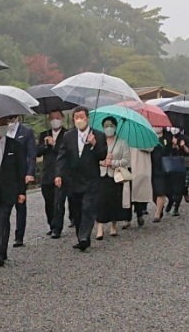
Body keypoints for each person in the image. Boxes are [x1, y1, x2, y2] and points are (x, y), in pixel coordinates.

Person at [55, 106, 108, 251]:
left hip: (91, 179)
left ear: (87, 118)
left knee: (88, 208)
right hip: (73, 179)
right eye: (76, 117)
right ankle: (80, 236)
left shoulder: (98, 135)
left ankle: (85, 236)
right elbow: (62, 157)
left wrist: (94, 144)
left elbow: (102, 155)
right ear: (73, 119)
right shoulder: (68, 136)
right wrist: (59, 174)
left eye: (82, 117)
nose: (79, 120)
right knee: (77, 209)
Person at [0, 117, 27, 266]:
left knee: (4, 218)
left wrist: (22, 191)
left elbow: (21, 170)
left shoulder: (16, 145)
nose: (2, 127)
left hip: (9, 189)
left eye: (4, 124)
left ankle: (0, 252)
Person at [95, 116, 131, 239]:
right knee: (99, 201)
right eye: (106, 126)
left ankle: (113, 225)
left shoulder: (122, 142)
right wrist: (102, 162)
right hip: (100, 175)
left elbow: (126, 160)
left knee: (114, 200)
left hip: (115, 176)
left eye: (111, 125)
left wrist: (113, 162)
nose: (108, 128)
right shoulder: (98, 141)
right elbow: (93, 157)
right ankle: (99, 227)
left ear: (115, 127)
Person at [37, 110, 70, 238]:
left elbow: (66, 152)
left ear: (62, 118)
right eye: (52, 118)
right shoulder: (43, 134)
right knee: (48, 201)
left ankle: (58, 227)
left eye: (57, 117)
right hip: (47, 173)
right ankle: (51, 224)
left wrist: (54, 144)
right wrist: (45, 144)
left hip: (61, 173)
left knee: (58, 201)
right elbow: (37, 152)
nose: (55, 120)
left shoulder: (67, 134)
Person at [5, 115, 36, 247]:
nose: (10, 121)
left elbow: (31, 154)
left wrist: (30, 172)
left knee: (20, 204)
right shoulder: (2, 131)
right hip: (6, 173)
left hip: (20, 172)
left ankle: (19, 235)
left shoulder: (26, 131)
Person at [128, 141, 154, 228]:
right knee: (127, 194)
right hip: (127, 166)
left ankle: (139, 214)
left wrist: (137, 143)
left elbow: (151, 148)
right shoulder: (124, 135)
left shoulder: (143, 137)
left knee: (137, 194)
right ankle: (127, 218)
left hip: (140, 168)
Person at [165, 127, 189, 216]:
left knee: (178, 188)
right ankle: (171, 200)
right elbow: (165, 151)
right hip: (168, 166)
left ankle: (176, 208)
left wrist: (182, 146)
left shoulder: (184, 138)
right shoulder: (167, 137)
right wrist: (172, 146)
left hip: (180, 165)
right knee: (167, 188)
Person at [150, 127, 168, 222]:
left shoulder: (167, 136)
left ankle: (157, 213)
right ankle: (160, 207)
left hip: (163, 167)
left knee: (160, 190)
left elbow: (168, 150)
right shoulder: (148, 135)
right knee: (153, 192)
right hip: (150, 166)